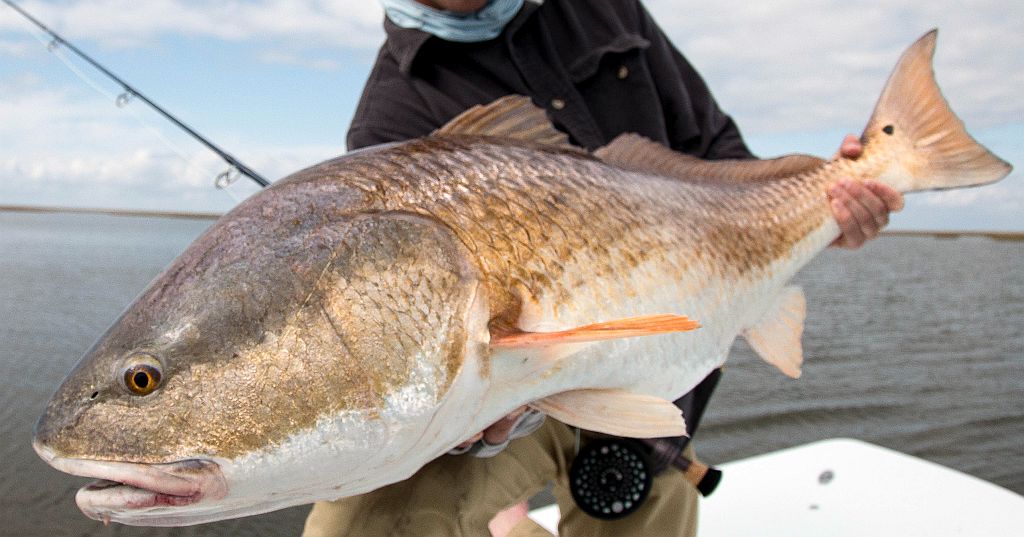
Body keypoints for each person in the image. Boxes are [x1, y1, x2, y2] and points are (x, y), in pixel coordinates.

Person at [303, 1, 904, 536]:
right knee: (361, 526)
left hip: (660, 388)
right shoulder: (390, 113)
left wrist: (821, 206)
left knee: (650, 504)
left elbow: (716, 149)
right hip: (516, 393)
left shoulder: (606, 8)